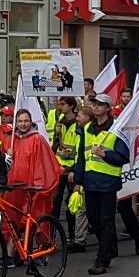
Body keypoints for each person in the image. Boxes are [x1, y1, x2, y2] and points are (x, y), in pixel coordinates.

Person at [74, 93, 134, 275]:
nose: (97, 106)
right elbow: (81, 158)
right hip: (91, 183)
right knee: (93, 219)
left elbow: (123, 157)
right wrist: (78, 181)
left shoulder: (116, 130)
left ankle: (102, 259)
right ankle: (109, 246)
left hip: (108, 183)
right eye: (95, 103)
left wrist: (104, 154)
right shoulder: (86, 130)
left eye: (101, 104)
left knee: (106, 220)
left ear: (108, 108)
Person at [0, 109, 60, 233]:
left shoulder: (38, 139)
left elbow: (43, 164)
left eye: (26, 121)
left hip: (31, 187)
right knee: (11, 220)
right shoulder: (10, 140)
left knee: (34, 221)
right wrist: (6, 154)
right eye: (20, 121)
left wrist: (39, 184)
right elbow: (1, 163)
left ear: (31, 122)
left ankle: (41, 247)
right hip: (14, 188)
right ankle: (14, 250)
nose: (23, 124)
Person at [49, 97, 84, 251]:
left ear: (71, 106)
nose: (59, 107)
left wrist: (75, 169)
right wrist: (56, 135)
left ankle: (72, 235)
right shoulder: (60, 122)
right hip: (59, 168)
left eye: (63, 104)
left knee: (71, 203)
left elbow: (79, 150)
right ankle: (51, 236)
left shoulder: (77, 125)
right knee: (55, 202)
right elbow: (54, 147)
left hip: (71, 169)